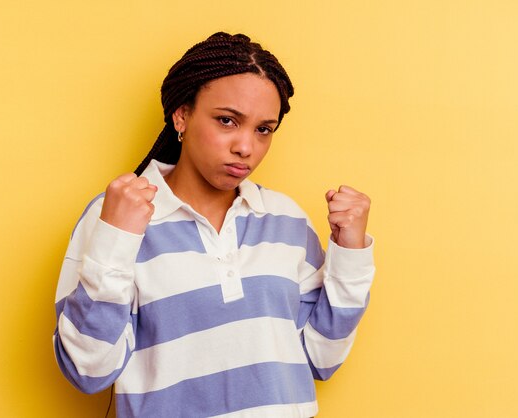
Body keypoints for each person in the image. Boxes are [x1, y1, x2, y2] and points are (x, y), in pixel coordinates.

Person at [53, 32, 375, 418]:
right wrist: (117, 239)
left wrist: (350, 254)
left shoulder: (285, 220)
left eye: (263, 129)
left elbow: (321, 357)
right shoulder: (114, 217)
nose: (246, 147)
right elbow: (88, 369)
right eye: (227, 120)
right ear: (182, 115)